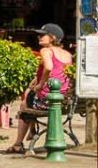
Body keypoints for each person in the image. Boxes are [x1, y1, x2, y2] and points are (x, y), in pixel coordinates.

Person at [8, 23, 73, 155]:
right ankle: (31, 129)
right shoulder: (67, 54)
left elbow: (49, 67)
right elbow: (58, 72)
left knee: (24, 104)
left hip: (49, 100)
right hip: (64, 99)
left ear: (53, 37)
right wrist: (35, 83)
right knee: (29, 93)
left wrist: (41, 84)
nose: (39, 37)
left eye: (43, 35)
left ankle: (18, 143)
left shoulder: (46, 51)